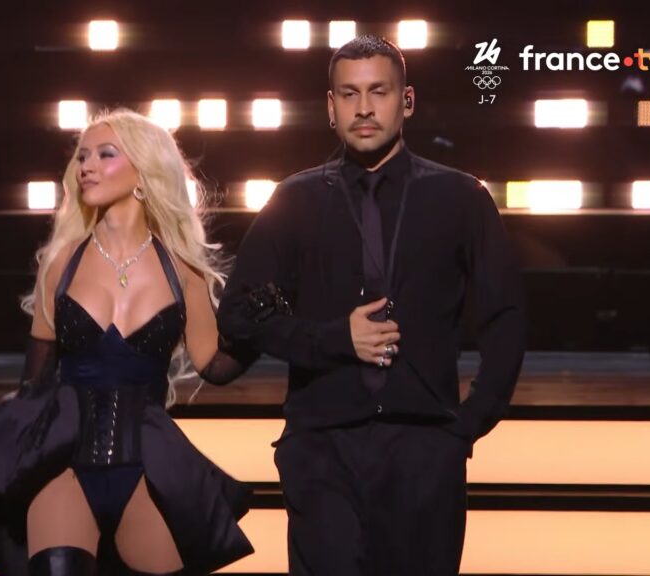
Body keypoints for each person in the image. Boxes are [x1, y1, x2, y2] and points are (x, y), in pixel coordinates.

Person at [217, 35, 528, 575]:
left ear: (406, 101)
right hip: (322, 448)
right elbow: (239, 315)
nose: (363, 108)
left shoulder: (461, 197)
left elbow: (505, 316)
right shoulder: (294, 199)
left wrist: (466, 426)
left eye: (378, 92)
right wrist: (336, 338)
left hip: (425, 448)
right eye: (349, 94)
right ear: (330, 107)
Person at [0, 108, 256, 576]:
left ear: (144, 170)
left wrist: (259, 332)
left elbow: (214, 366)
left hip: (147, 470)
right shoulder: (62, 263)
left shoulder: (184, 271)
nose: (87, 166)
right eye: (82, 156)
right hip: (64, 469)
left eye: (105, 154)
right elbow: (34, 384)